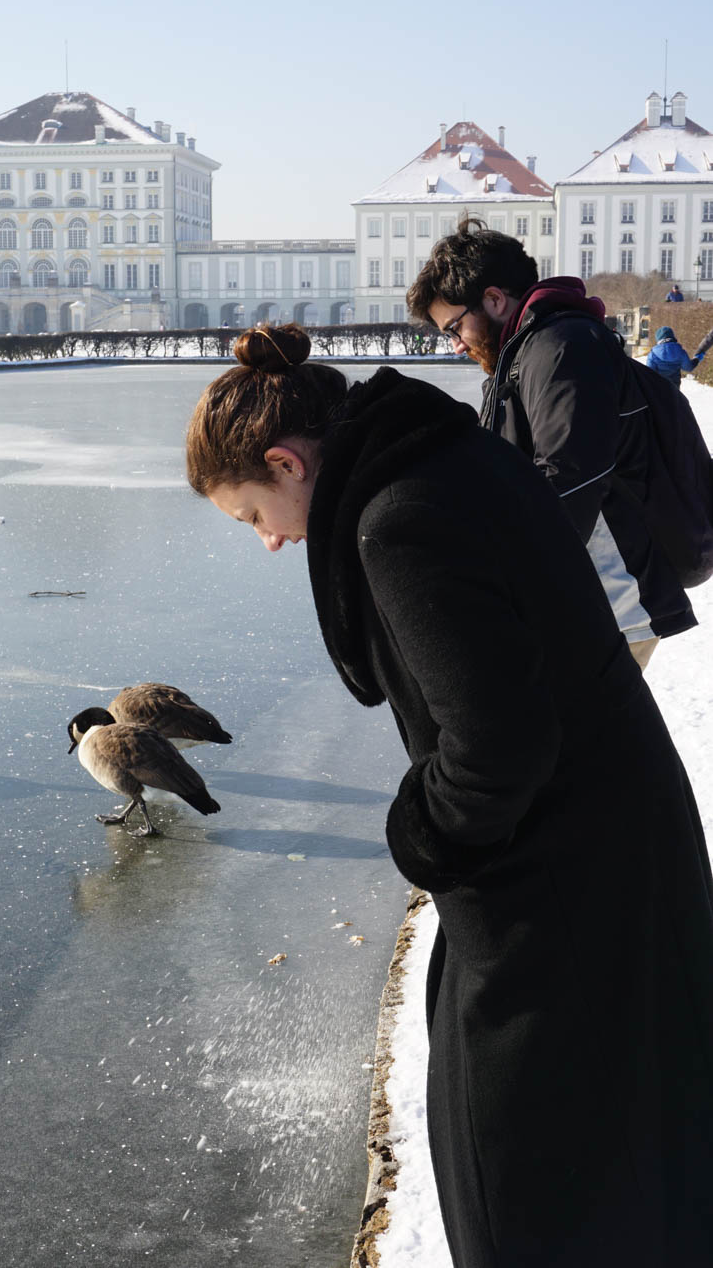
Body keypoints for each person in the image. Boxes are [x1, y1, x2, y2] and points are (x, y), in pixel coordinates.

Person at [185, 323, 713, 1267]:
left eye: (251, 513)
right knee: (631, 1139)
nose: (267, 540)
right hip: (616, 848)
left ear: (284, 460)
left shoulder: (400, 519)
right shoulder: (447, 455)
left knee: (530, 1179)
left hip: (558, 893)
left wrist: (418, 835)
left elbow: (495, 746)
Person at [407, 216, 696, 671]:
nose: (456, 345)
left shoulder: (560, 347)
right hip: (590, 600)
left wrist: (511, 585)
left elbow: (571, 478)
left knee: (591, 742)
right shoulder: (528, 352)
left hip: (607, 600)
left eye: (453, 328)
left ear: (495, 299)